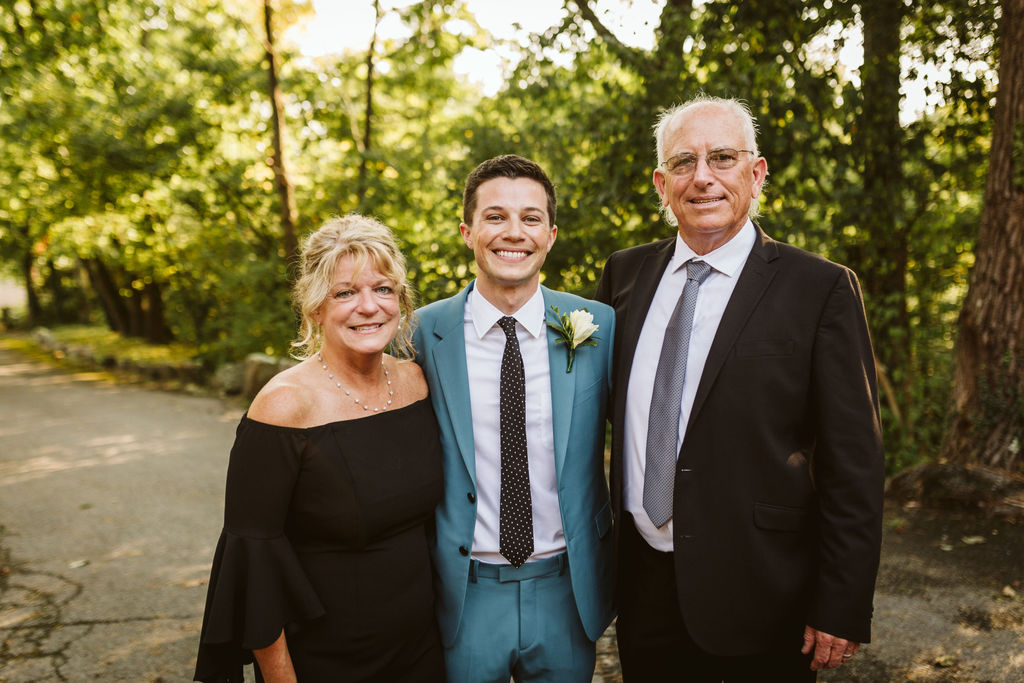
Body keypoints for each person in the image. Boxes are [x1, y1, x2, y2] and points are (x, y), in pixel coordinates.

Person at [595, 96, 885, 681]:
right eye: (683, 163)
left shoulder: (819, 288)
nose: (702, 177)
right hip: (644, 586)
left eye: (721, 158)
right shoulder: (623, 276)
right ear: (661, 182)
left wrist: (842, 601)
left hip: (762, 588)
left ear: (755, 173)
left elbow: (854, 462)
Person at [194, 215, 445, 682]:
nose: (368, 307)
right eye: (345, 292)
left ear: (402, 301)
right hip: (328, 660)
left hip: (425, 652)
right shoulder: (283, 406)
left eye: (383, 289)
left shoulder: (416, 382)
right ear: (315, 308)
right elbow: (254, 568)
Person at [412, 154, 616, 682]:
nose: (513, 233)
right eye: (495, 216)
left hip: (566, 589)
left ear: (550, 235)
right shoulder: (421, 334)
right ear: (468, 231)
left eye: (530, 218)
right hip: (466, 588)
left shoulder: (598, 326)